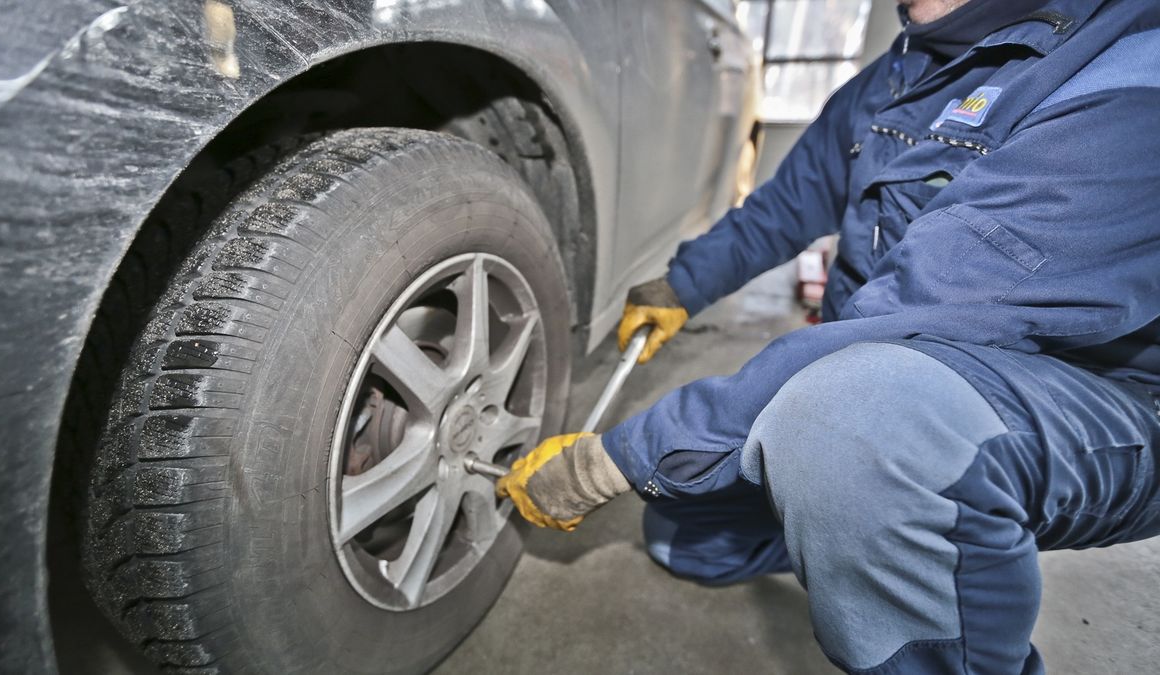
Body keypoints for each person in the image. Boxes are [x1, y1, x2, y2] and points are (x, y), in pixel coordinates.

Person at [495, 0, 1160, 672]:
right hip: (901, 355)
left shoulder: (1130, 68)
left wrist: (608, 461)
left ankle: (897, 515)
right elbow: (783, 208)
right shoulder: (894, 78)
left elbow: (930, 305)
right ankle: (847, 518)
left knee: (854, 428)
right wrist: (682, 285)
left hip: (1100, 398)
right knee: (683, 537)